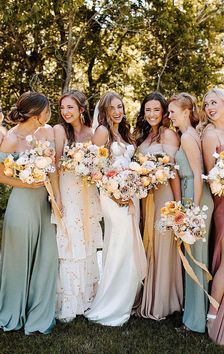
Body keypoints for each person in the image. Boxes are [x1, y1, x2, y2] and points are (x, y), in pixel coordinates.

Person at [85, 91, 147, 326]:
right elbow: (93, 169)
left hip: (130, 195)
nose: (118, 111)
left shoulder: (123, 132)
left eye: (120, 106)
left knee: (130, 244)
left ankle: (126, 298)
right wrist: (114, 191)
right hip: (113, 197)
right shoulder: (101, 132)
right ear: (104, 110)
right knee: (121, 245)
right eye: (112, 108)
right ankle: (113, 304)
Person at [0, 91, 58, 334]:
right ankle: (13, 311)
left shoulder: (46, 132)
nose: (50, 113)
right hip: (22, 204)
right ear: (36, 112)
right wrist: (28, 183)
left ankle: (39, 313)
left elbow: (53, 169)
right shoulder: (11, 139)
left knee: (47, 256)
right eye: (47, 109)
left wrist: (57, 200)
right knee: (18, 259)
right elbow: (1, 176)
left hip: (44, 204)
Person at [53, 90, 103, 322]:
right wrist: (57, 199)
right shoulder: (59, 131)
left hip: (88, 193)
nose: (65, 112)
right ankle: (69, 301)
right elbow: (55, 165)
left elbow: (98, 167)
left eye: (70, 107)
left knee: (88, 241)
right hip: (67, 191)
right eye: (63, 107)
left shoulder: (92, 133)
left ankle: (88, 299)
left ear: (82, 109)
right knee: (70, 243)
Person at [134, 91, 183, 320]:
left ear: (163, 112)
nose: (152, 114)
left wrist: (178, 205)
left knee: (162, 245)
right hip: (146, 198)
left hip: (163, 198)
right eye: (148, 110)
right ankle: (146, 294)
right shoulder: (144, 136)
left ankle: (162, 301)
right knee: (148, 244)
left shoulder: (168, 135)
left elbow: (173, 173)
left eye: (156, 109)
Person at [168, 93, 214, 333]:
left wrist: (193, 211)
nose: (169, 115)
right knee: (195, 258)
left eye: (173, 111)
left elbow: (198, 174)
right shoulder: (190, 134)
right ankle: (196, 316)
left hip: (194, 196)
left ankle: (195, 322)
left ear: (186, 111)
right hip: (192, 195)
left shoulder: (188, 136)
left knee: (196, 261)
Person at [200, 88, 224, 345]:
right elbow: (212, 178)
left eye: (213, 102)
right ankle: (213, 315)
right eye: (205, 104)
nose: (209, 107)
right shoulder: (209, 135)